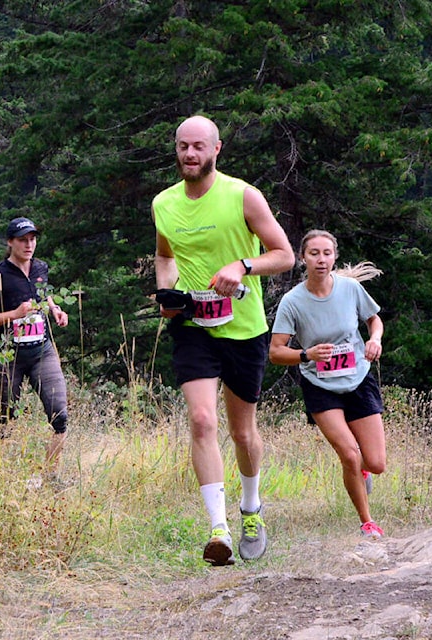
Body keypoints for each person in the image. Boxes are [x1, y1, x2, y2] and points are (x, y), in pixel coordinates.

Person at [153, 115, 295, 565]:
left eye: (199, 146)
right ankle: (219, 530)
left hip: (243, 328)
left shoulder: (242, 195)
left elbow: (285, 255)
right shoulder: (164, 203)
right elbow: (164, 254)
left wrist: (243, 267)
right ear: (175, 150)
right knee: (200, 420)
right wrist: (166, 293)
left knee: (242, 431)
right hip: (192, 326)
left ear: (216, 150)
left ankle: (251, 508)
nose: (190, 154)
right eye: (182, 147)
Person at [269, 229, 387, 539]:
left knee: (376, 463)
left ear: (334, 257)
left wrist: (374, 340)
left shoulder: (350, 289)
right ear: (302, 259)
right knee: (349, 453)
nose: (321, 260)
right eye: (314, 254)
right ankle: (367, 522)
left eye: (326, 253)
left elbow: (374, 319)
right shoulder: (292, 302)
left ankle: (362, 470)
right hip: (320, 385)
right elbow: (276, 352)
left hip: (359, 378)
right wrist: (306, 354)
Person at [0, 217, 70, 478]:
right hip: (7, 357)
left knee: (60, 416)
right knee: (7, 420)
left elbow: (43, 292)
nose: (29, 245)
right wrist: (14, 314)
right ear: (10, 242)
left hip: (42, 351)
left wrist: (55, 310)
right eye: (23, 240)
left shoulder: (40, 267)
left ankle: (49, 478)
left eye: (33, 239)